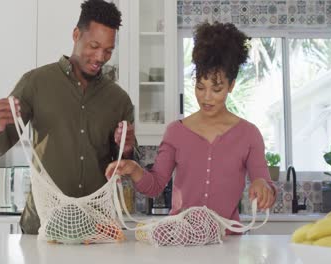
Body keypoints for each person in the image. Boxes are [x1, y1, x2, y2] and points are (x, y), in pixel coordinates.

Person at [0, 0, 138, 234]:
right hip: (42, 227)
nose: (100, 57)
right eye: (94, 46)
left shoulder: (119, 100)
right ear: (76, 35)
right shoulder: (35, 83)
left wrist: (125, 150)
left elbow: (123, 167)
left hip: (97, 229)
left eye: (108, 50)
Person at [105, 22, 276, 231]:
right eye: (200, 86)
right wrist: (133, 169)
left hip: (227, 243)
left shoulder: (249, 135)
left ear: (231, 85)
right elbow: (155, 185)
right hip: (180, 238)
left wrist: (263, 186)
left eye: (217, 89)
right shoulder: (176, 132)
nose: (206, 97)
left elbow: (265, 182)